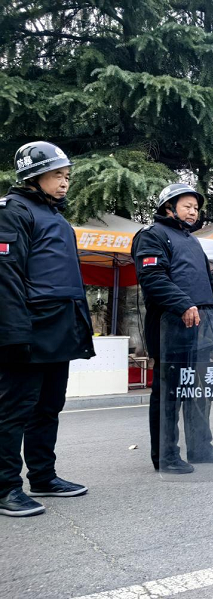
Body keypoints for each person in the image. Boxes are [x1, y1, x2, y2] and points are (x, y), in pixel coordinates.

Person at [0, 141, 94, 517]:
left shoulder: (56, 217)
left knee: (48, 407)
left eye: (67, 176)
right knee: (13, 410)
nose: (65, 182)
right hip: (29, 329)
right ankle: (6, 487)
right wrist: (13, 333)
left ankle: (43, 476)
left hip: (59, 329)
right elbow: (6, 276)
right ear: (34, 177)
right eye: (57, 175)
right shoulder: (13, 211)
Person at [132, 183, 213, 474]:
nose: (193, 212)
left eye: (196, 208)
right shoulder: (151, 235)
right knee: (170, 394)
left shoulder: (192, 241)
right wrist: (183, 304)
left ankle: (201, 448)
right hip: (171, 326)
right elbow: (153, 278)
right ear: (168, 207)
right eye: (187, 206)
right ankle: (166, 455)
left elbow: (209, 285)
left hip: (200, 327)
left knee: (199, 391)